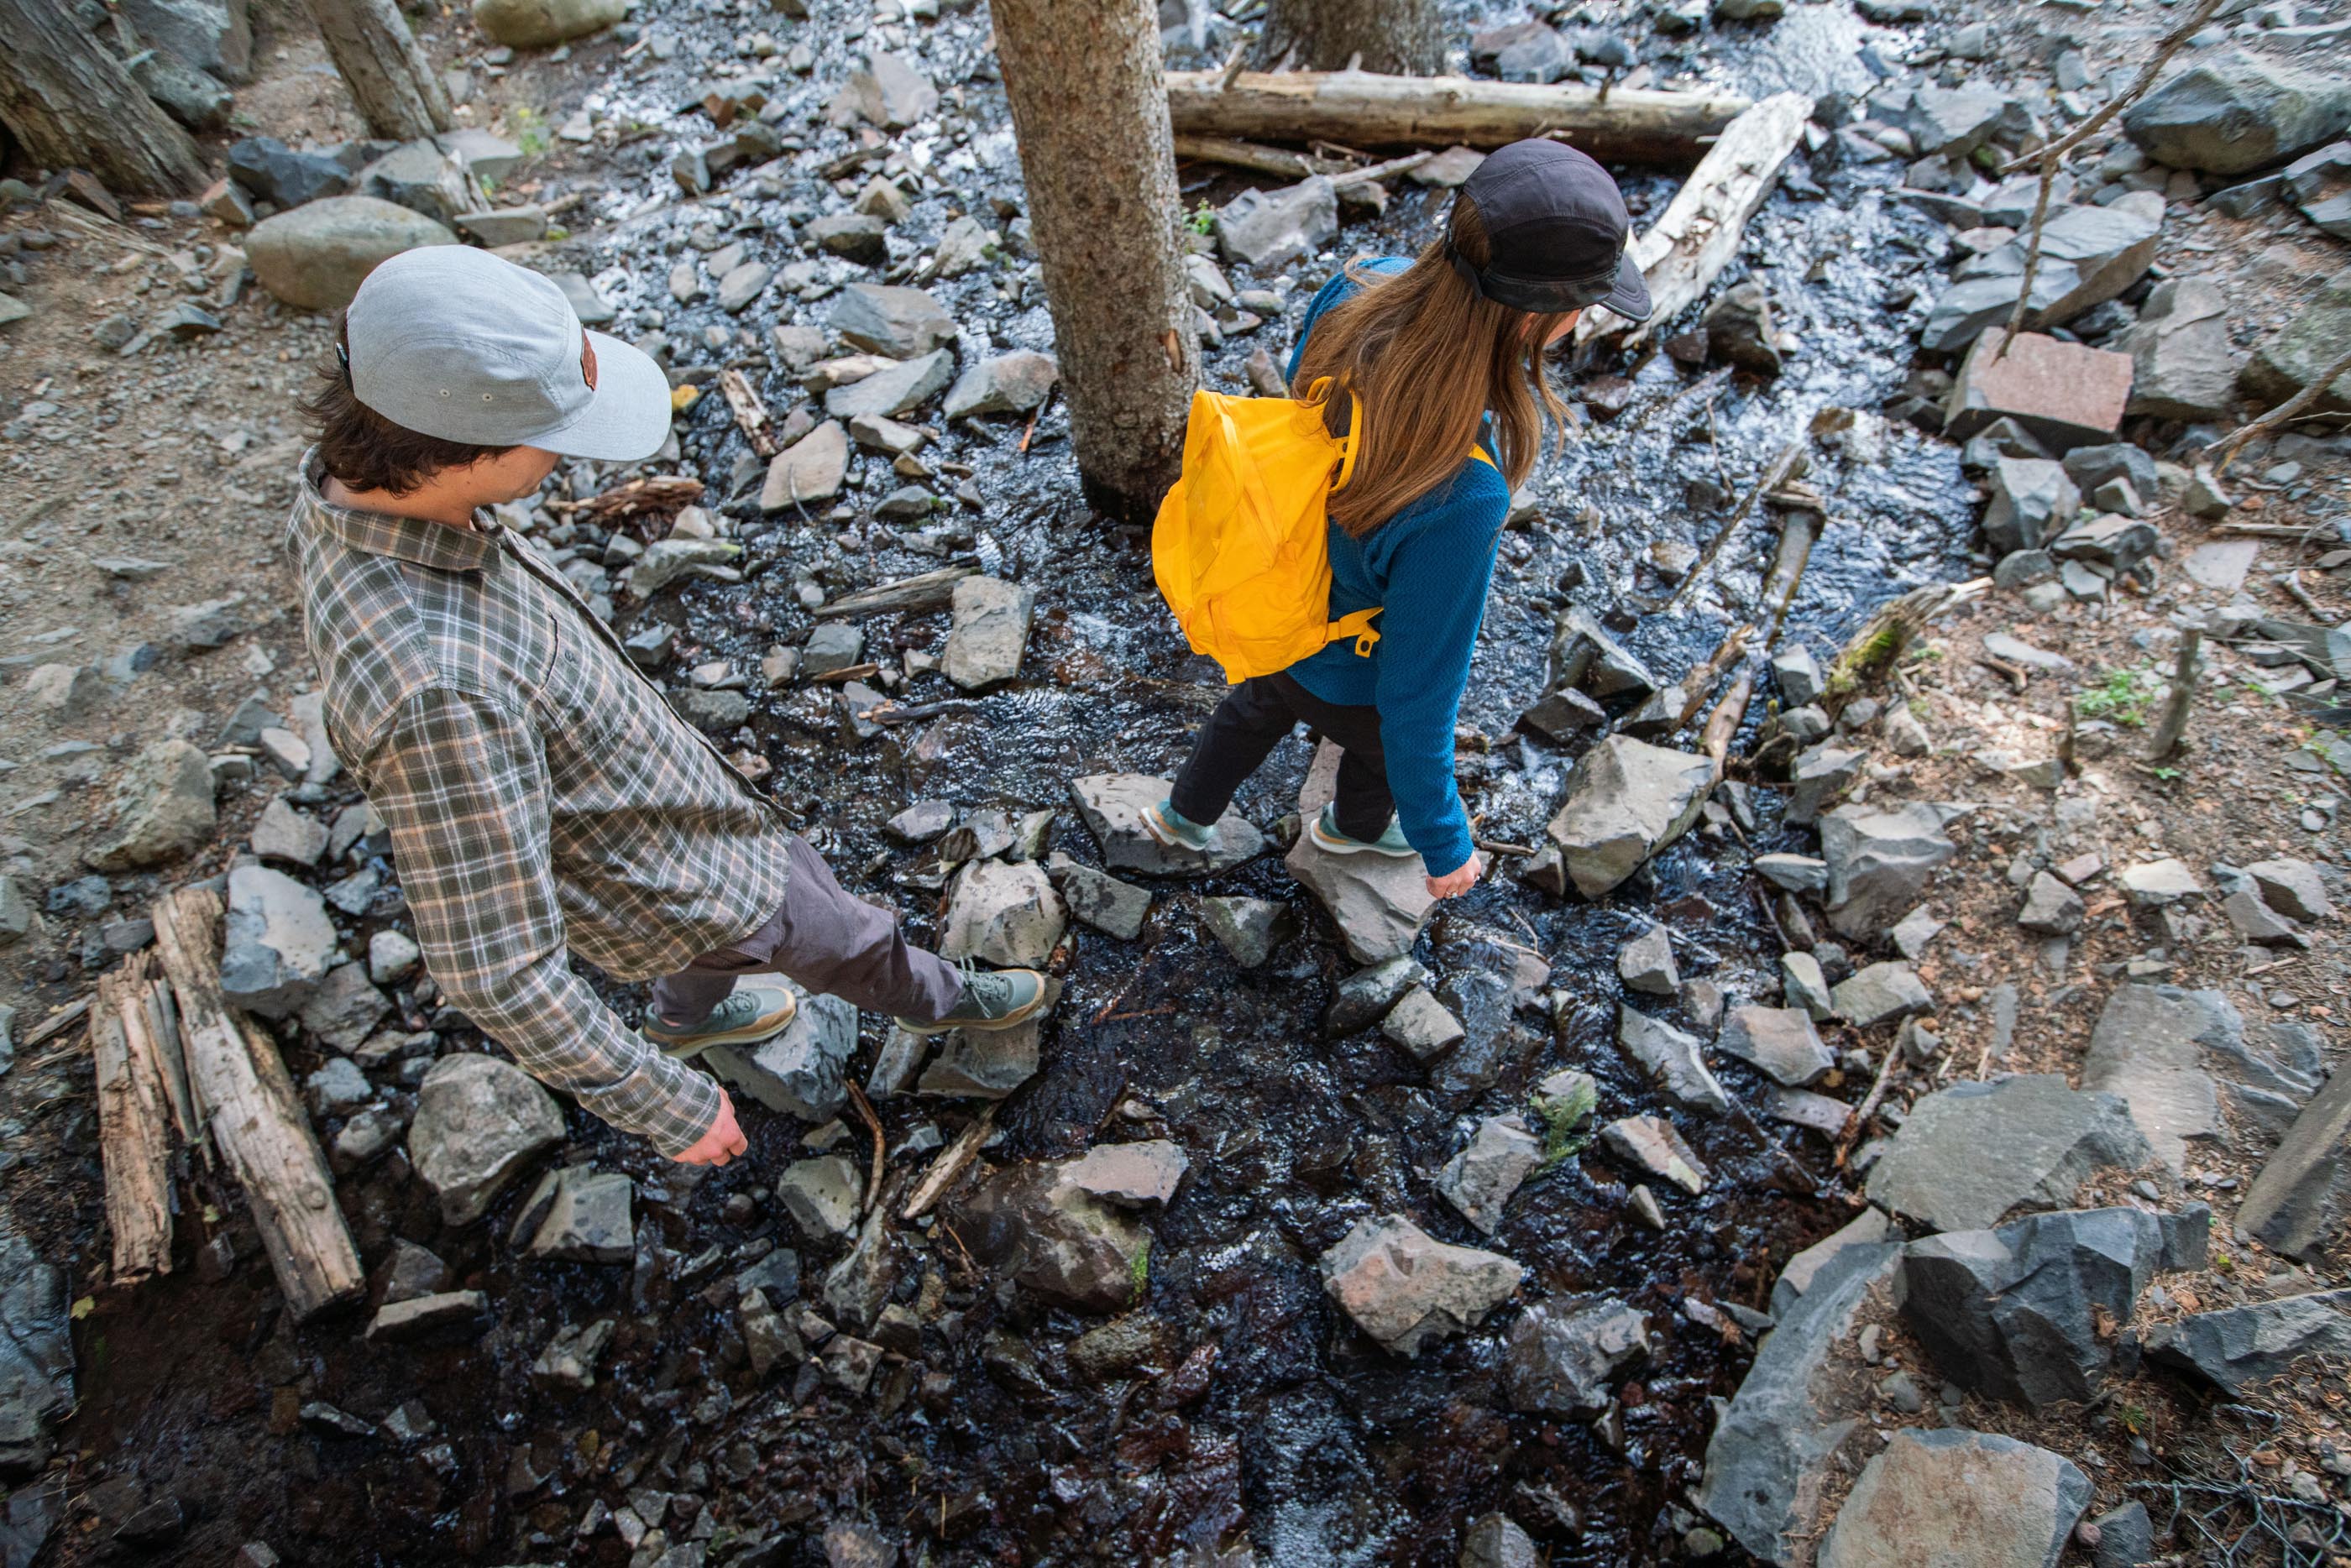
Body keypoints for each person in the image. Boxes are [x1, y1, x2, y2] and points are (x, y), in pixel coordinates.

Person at [284, 245, 1049, 1168]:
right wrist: (666, 1105)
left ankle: (690, 1015)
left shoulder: (347, 491)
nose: (564, 452)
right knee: (847, 936)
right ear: (454, 450)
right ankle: (943, 995)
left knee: (675, 950)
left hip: (630, 852)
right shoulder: (437, 691)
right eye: (552, 431)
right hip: (712, 871)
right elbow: (496, 967)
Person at [1144, 141, 1654, 899]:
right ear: (1535, 318)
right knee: (1378, 751)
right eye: (1585, 304)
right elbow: (1418, 703)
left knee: (1252, 709)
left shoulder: (1357, 287)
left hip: (1279, 607)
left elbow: (1301, 431)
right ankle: (1347, 832)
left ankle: (1183, 819)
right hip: (1349, 675)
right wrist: (1446, 846)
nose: (1582, 322)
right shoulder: (1466, 496)